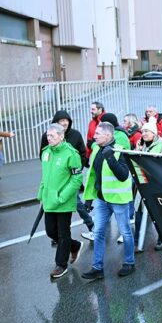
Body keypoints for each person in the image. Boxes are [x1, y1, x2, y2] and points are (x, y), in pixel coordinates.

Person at [81, 122, 136, 280]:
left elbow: (123, 175)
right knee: (98, 232)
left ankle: (129, 262)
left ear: (108, 135)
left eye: (98, 134)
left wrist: (111, 157)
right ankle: (97, 267)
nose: (94, 136)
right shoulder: (96, 150)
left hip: (118, 199)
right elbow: (93, 176)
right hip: (101, 199)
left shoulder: (119, 150)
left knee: (125, 232)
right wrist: (89, 199)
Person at [39, 110, 95, 239]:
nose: (64, 123)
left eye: (66, 120)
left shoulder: (75, 135)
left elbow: (82, 153)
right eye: (61, 121)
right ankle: (59, 236)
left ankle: (90, 225)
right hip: (54, 178)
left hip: (70, 178)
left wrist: (77, 168)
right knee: (55, 214)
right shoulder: (47, 136)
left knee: (76, 204)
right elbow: (43, 154)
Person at [38, 124, 84, 279]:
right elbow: (45, 177)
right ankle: (75, 245)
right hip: (49, 200)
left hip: (63, 201)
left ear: (61, 136)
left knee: (63, 233)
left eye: (52, 136)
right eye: (47, 135)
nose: (48, 138)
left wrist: (62, 197)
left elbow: (77, 179)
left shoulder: (71, 154)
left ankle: (61, 264)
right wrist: (41, 196)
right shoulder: (46, 153)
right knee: (51, 231)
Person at [134, 118, 162, 251]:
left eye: (147, 131)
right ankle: (137, 241)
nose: (144, 134)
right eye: (143, 131)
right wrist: (137, 150)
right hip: (142, 187)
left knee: (159, 216)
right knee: (138, 215)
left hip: (156, 188)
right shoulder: (141, 147)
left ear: (154, 134)